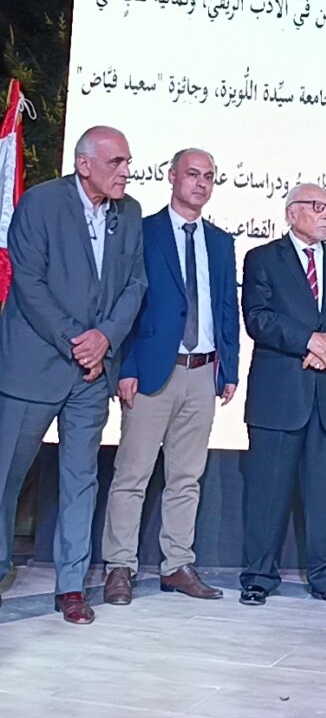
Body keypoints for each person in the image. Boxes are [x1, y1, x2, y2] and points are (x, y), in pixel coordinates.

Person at [0, 126, 146, 623]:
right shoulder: (41, 204)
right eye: (116, 162)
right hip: (34, 367)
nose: (125, 172)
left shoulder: (129, 213)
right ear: (84, 165)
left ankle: (71, 587)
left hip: (92, 375)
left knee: (81, 479)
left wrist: (105, 338)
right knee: (6, 475)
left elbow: (135, 284)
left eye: (127, 162)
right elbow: (29, 283)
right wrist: (77, 341)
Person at [101, 148, 240, 606]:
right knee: (132, 474)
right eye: (193, 174)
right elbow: (126, 304)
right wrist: (126, 367)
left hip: (202, 373)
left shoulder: (220, 242)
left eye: (209, 177)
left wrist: (229, 368)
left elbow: (226, 307)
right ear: (172, 176)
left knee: (186, 477)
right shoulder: (145, 231)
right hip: (151, 373)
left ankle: (177, 564)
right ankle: (119, 567)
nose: (201, 183)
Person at [238, 183, 326, 607]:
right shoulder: (262, 259)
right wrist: (308, 341)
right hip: (279, 395)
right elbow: (258, 318)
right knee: (268, 490)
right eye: (316, 206)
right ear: (292, 213)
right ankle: (259, 576)